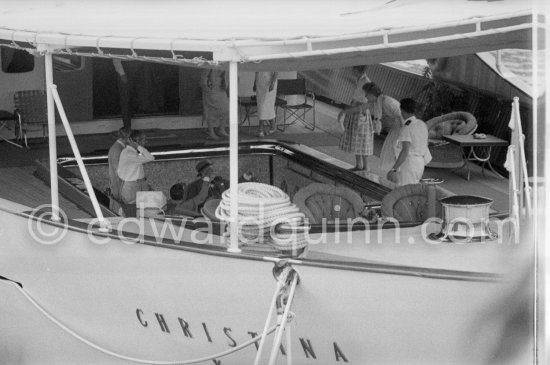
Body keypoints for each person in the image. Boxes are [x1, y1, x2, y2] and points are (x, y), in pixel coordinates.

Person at [337, 67, 379, 171]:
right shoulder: (360, 80)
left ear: (357, 70)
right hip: (355, 109)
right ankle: (358, 164)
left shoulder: (366, 81)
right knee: (356, 139)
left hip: (361, 111)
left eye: (353, 70)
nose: (352, 71)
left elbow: (367, 101)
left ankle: (365, 166)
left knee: (363, 140)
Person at [386, 98, 431, 186]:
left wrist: (393, 169)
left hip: (410, 164)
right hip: (420, 163)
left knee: (404, 191)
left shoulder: (407, 127)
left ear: (403, 111)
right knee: (412, 190)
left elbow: (405, 150)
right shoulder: (422, 124)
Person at [362, 82, 403, 174]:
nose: (365, 96)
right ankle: (394, 172)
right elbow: (377, 118)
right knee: (390, 151)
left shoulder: (387, 102)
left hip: (401, 129)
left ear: (372, 94)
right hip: (395, 129)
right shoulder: (378, 103)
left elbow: (403, 116)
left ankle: (397, 173)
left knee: (395, 150)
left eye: (367, 94)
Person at [117, 130, 155, 204]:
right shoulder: (129, 154)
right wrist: (138, 146)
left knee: (142, 209)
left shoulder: (131, 153)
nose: (145, 143)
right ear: (137, 141)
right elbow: (150, 157)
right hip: (132, 187)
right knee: (133, 210)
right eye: (143, 140)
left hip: (137, 184)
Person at [201, 69, 229, 140]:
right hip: (211, 89)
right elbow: (204, 78)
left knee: (226, 108)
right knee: (210, 111)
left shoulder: (225, 64)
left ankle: (221, 129)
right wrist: (207, 88)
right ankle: (211, 132)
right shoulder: (210, 64)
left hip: (221, 89)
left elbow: (226, 78)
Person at [108, 127, 131, 211]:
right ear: (127, 138)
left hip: (119, 186)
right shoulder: (117, 149)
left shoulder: (118, 148)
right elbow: (119, 171)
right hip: (119, 187)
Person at [253, 71, 278, 137]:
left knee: (265, 106)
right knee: (261, 105)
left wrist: (272, 83)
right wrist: (255, 82)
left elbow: (276, 70)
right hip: (260, 82)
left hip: (269, 82)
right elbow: (257, 70)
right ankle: (273, 126)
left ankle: (260, 129)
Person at [113, 59, 132, 131]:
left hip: (136, 70)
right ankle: (127, 127)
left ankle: (128, 128)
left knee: (128, 100)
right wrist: (122, 74)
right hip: (125, 72)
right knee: (125, 101)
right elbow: (116, 58)